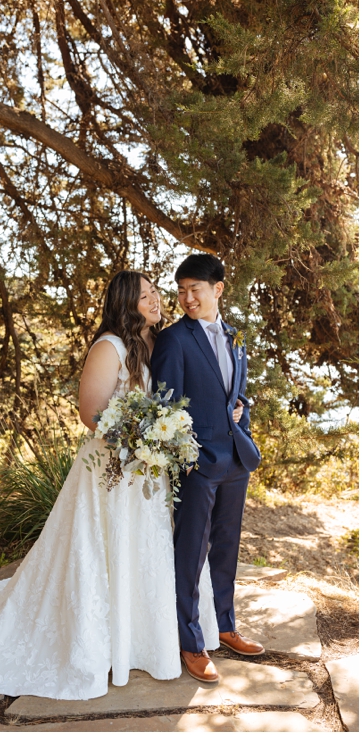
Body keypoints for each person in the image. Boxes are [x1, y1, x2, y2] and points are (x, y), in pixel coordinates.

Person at [0, 270, 218, 700]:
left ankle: (148, 641)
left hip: (147, 470)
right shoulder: (110, 346)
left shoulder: (155, 343)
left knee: (147, 550)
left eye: (155, 292)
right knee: (105, 550)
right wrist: (138, 436)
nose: (156, 300)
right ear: (126, 304)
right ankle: (101, 643)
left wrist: (163, 435)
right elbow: (91, 413)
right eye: (145, 296)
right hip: (110, 471)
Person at [150, 254, 264, 684]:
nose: (186, 298)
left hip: (237, 459)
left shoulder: (235, 337)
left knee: (226, 548)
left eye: (194, 289)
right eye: (180, 291)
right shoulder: (174, 340)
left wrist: (241, 417)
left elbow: (238, 392)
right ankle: (191, 643)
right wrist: (188, 457)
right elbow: (166, 404)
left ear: (217, 289)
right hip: (198, 464)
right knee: (190, 552)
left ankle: (226, 626)